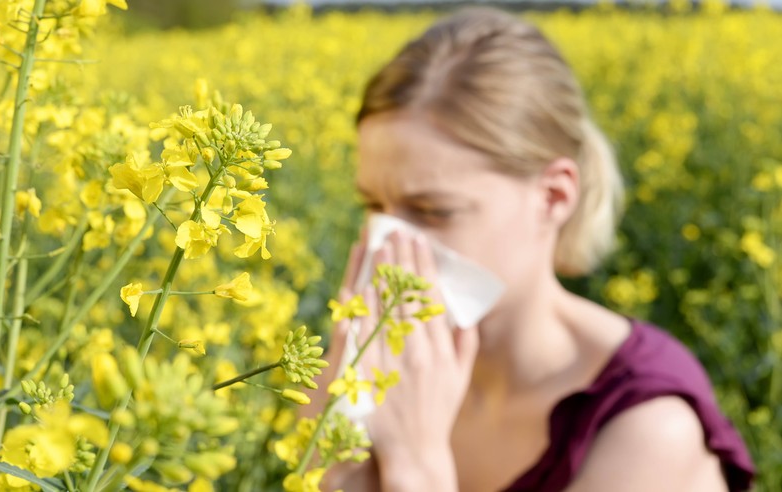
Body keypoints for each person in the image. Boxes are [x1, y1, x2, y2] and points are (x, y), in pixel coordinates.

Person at [301, 6, 755, 492]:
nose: (388, 242)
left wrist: (416, 467)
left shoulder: (647, 427)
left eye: (434, 210)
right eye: (373, 204)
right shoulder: (393, 372)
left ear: (554, 197)